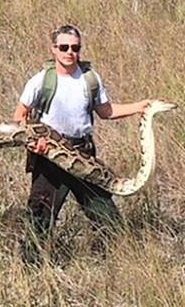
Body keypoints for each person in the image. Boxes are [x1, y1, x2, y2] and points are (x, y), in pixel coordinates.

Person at [12, 24, 150, 263]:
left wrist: (140, 107)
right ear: (53, 49)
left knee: (105, 213)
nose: (69, 53)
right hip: (49, 157)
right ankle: (31, 272)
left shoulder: (90, 78)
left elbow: (106, 111)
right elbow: (19, 116)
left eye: (75, 48)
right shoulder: (41, 80)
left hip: (83, 154)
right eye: (64, 47)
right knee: (40, 217)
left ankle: (123, 262)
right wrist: (35, 143)